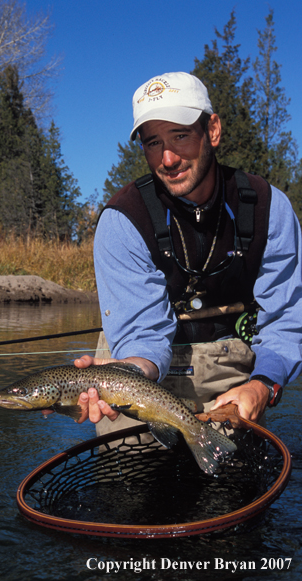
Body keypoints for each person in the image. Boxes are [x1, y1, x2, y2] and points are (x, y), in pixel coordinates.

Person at [71, 71, 302, 432]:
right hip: (139, 372)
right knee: (129, 486)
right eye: (152, 143)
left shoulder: (268, 208)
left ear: (212, 130)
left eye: (180, 136)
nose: (167, 159)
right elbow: (141, 334)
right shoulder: (123, 221)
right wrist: (127, 374)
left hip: (234, 376)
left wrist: (264, 384)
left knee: (230, 483)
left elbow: (286, 317)